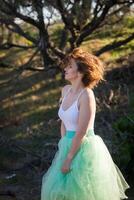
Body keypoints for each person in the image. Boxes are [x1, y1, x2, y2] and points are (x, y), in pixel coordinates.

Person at [41, 48, 130, 200]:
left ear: (80, 72)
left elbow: (81, 131)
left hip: (83, 148)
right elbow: (63, 120)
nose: (65, 69)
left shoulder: (86, 95)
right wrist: (63, 144)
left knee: (82, 192)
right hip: (67, 144)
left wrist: (69, 158)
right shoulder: (65, 90)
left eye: (70, 66)